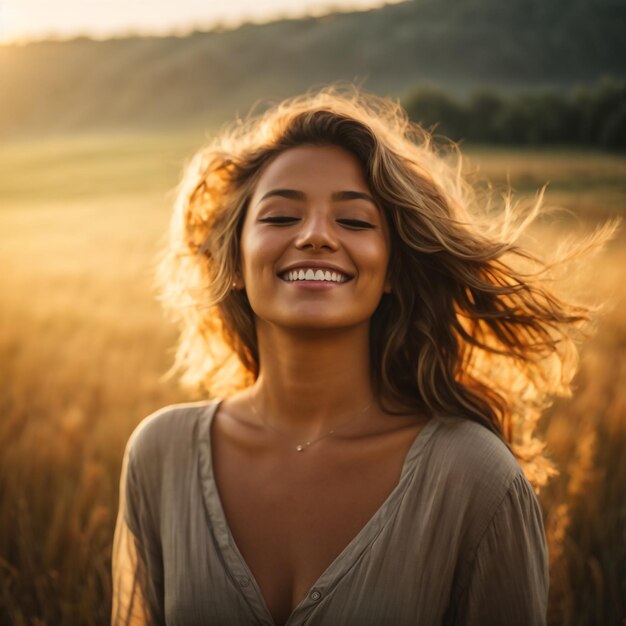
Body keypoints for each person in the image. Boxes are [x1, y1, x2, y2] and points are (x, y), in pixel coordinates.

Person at [111, 87, 592, 625]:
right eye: (280, 217)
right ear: (237, 259)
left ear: (391, 270)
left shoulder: (474, 478)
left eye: (356, 222)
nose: (315, 236)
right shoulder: (160, 455)